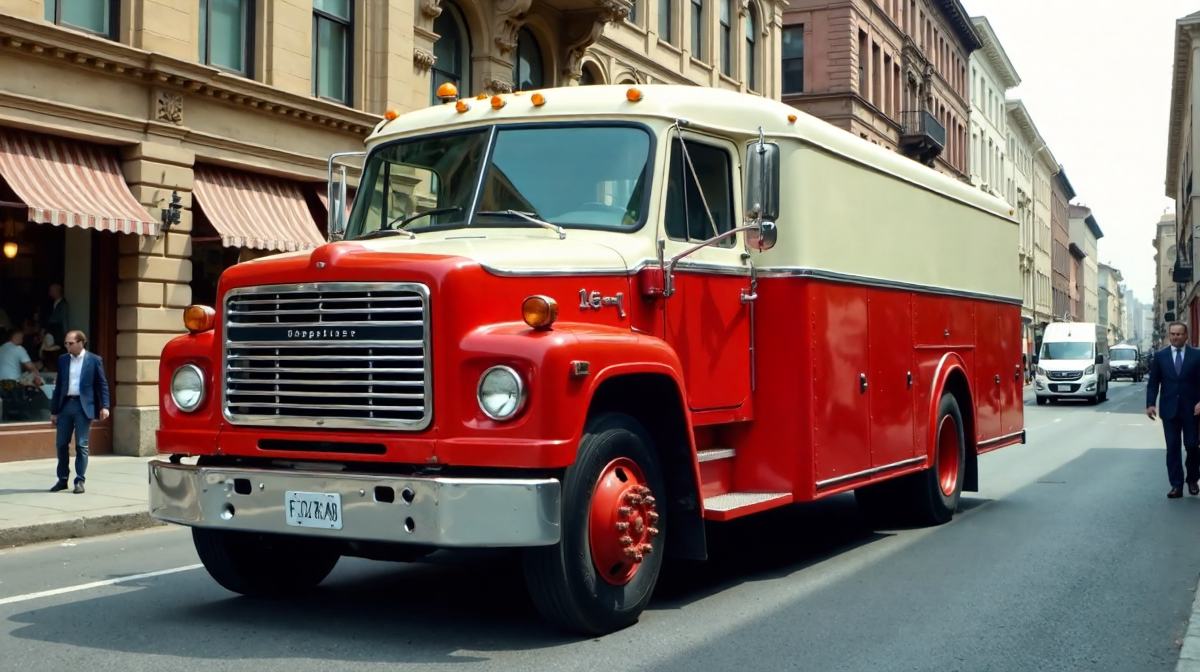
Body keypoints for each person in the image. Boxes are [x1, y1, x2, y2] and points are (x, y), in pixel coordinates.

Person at [48, 330, 109, 494]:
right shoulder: (63, 360)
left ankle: (80, 480)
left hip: (83, 406)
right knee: (61, 444)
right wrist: (54, 410)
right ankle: (62, 479)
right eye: (66, 343)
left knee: (81, 445)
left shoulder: (94, 360)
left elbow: (102, 385)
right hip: (66, 405)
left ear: (81, 342)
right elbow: (59, 386)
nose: (67, 346)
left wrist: (105, 406)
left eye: (71, 343)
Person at [1145, 321, 1200, 499]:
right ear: (1169, 335)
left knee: (1192, 446)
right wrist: (1150, 404)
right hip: (1169, 410)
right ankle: (1176, 485)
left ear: (1186, 336)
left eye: (1179, 334)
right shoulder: (1160, 356)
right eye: (1173, 334)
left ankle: (1192, 479)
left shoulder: (1196, 356)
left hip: (1192, 410)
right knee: (1173, 448)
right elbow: (1153, 382)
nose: (1175, 337)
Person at [46, 284, 68, 349]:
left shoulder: (63, 304)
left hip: (58, 332)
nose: (50, 293)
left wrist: (65, 335)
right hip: (51, 331)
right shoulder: (51, 303)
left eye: (52, 290)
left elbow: (64, 319)